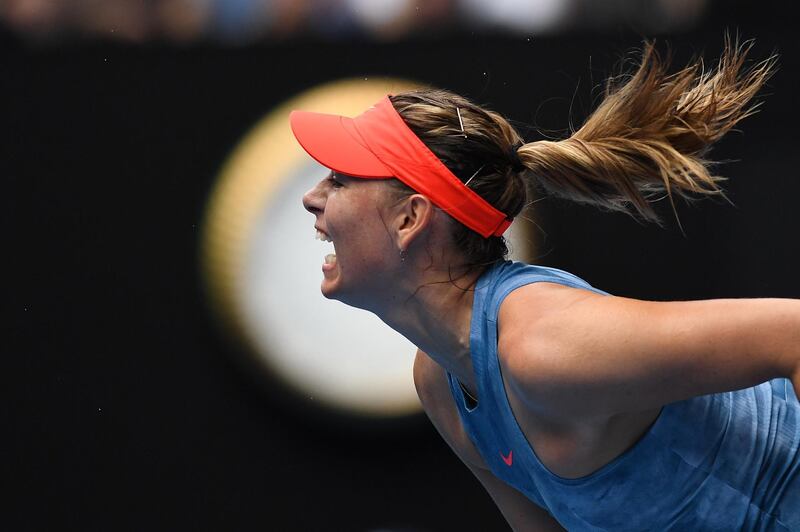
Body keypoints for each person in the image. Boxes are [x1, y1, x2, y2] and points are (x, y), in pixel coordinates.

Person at [291, 37, 799, 531]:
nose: (313, 197)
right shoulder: (439, 384)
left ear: (410, 219)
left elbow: (792, 335)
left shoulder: (543, 345)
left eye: (339, 179)